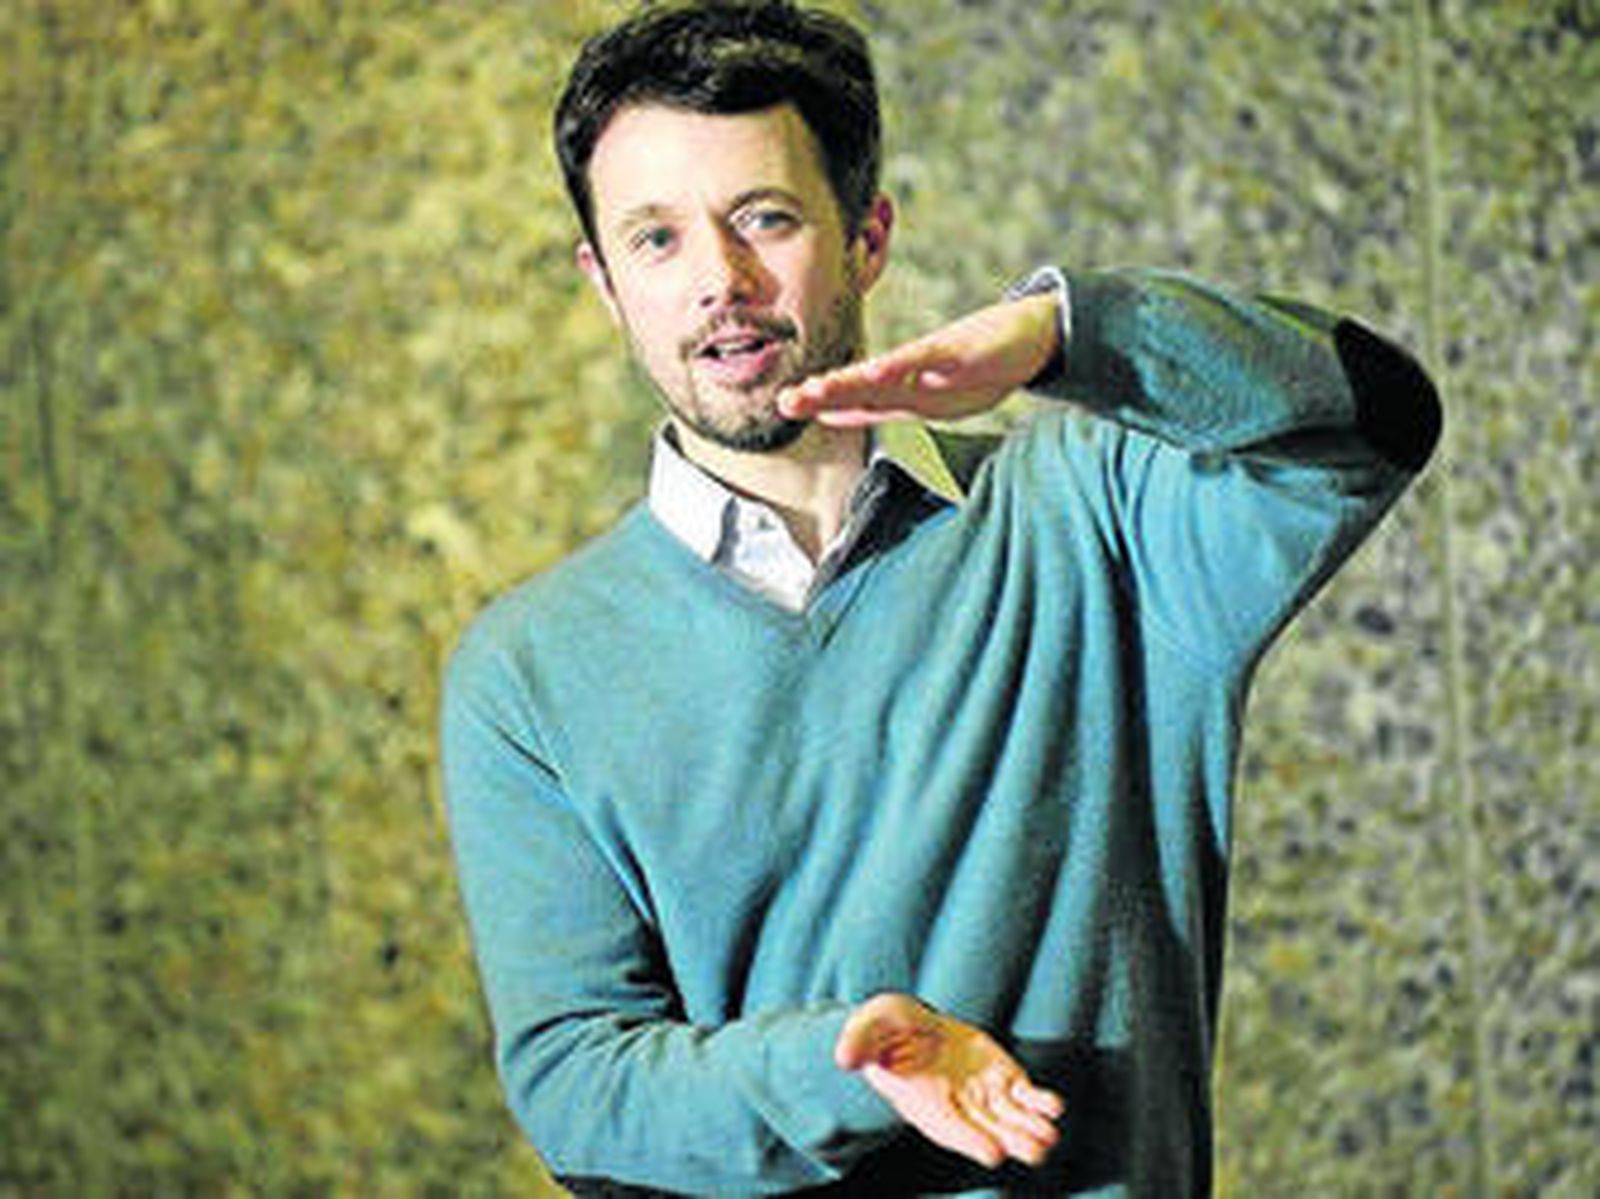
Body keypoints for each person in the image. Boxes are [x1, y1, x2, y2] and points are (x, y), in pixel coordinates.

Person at [439, 2, 1441, 1195]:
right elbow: (578, 1093)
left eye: (763, 217)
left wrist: (1065, 334)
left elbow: (1373, 417)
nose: (720, 281)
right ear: (604, 284)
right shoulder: (528, 669)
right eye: (656, 239)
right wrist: (848, 1067)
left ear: (867, 238)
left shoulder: (1093, 518)